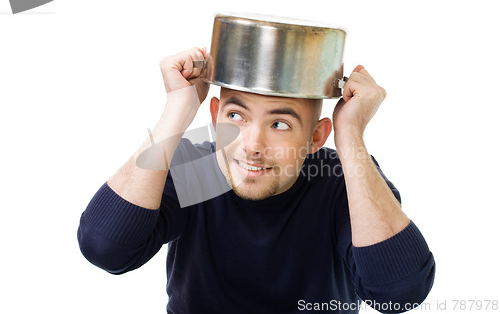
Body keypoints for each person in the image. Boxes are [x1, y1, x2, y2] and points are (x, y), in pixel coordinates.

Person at [78, 47, 435, 313]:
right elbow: (106, 249)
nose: (251, 147)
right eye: (236, 116)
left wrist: (351, 137)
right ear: (216, 116)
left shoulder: (339, 179)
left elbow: (399, 293)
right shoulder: (201, 169)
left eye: (280, 124)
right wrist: (177, 110)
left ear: (316, 137)